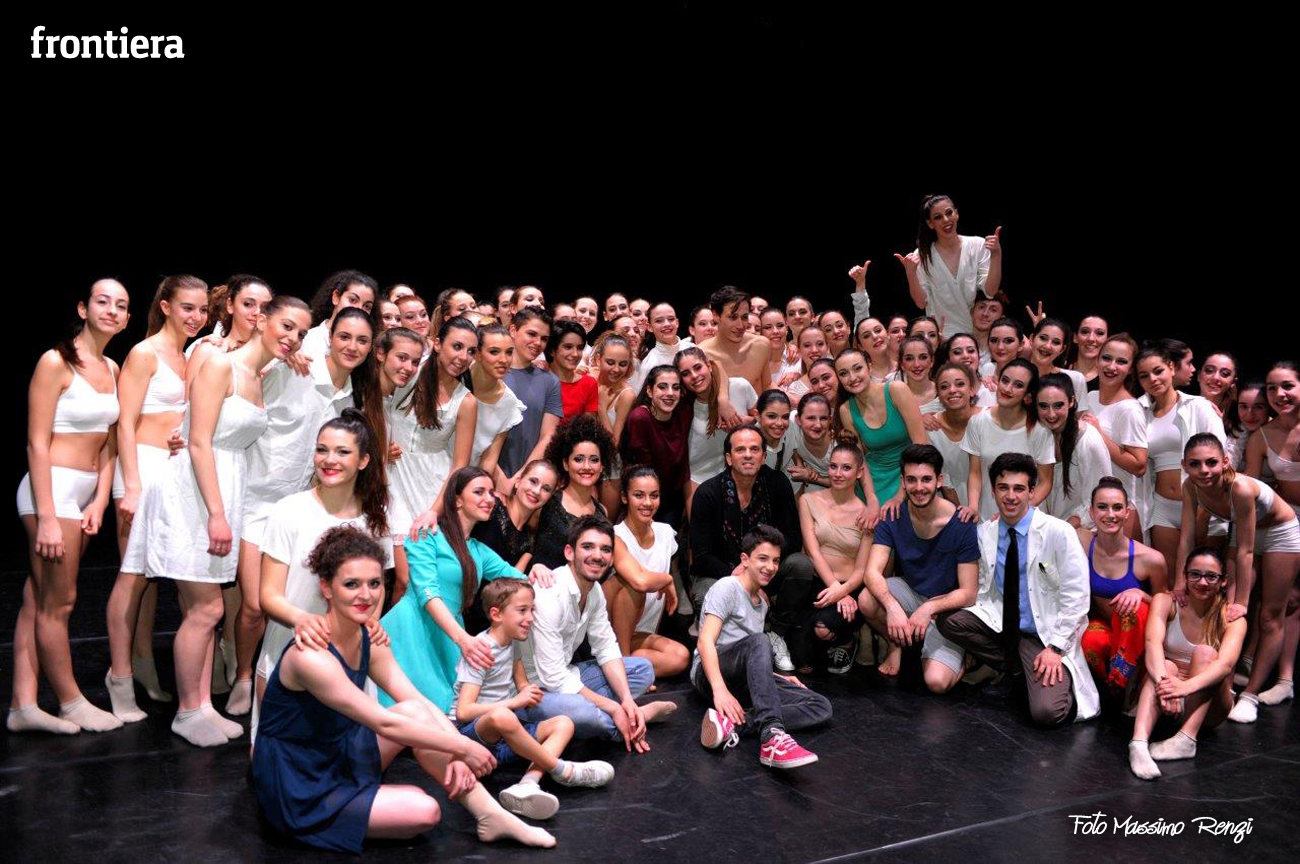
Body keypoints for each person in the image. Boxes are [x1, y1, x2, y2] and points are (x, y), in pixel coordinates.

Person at [251, 526, 556, 852]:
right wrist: (463, 746)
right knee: (425, 811)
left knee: (415, 711)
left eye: (374, 583)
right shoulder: (310, 657)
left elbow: (417, 701)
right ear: (326, 587)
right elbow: (383, 722)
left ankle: (491, 815)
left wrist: (456, 751)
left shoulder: (370, 638)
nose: (365, 595)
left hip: (339, 752)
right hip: (300, 780)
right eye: (351, 584)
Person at [126, 294, 312, 747]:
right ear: (261, 319)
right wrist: (215, 513)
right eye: (286, 326)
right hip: (193, 492)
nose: (293, 337)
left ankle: (203, 705)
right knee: (207, 608)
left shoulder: (258, 374)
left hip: (225, 489)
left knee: (207, 610)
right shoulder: (219, 364)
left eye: (302, 333)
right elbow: (197, 442)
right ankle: (188, 711)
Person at [228, 306, 377, 716]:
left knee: (298, 598)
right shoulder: (293, 368)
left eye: (362, 340)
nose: (352, 346)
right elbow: (240, 380)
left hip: (304, 506)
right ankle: (244, 674)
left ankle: (296, 676)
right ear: (329, 336)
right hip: (258, 499)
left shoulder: (352, 396)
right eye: (344, 336)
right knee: (255, 604)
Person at [11, 279, 131, 735]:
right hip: (52, 492)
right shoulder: (55, 362)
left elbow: (110, 444)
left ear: (127, 319)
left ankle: (23, 705)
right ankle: (70, 701)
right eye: (103, 301)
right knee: (59, 603)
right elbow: (36, 444)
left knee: (36, 599)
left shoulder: (113, 368)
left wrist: (99, 499)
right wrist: (46, 517)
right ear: (83, 308)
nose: (112, 310)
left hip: (81, 495)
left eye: (121, 305)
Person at [252, 411, 393, 736]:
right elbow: (268, 595)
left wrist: (372, 620)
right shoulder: (289, 511)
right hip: (290, 649)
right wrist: (302, 620)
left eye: (342, 452)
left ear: (363, 461)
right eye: (322, 450)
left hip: (350, 656)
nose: (329, 460)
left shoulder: (375, 517)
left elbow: (379, 584)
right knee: (280, 753)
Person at [105, 276, 207, 721]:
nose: (196, 317)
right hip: (141, 470)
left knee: (152, 576)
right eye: (187, 307)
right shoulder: (144, 353)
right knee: (132, 576)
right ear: (165, 306)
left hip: (173, 471)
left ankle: (143, 662)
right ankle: (119, 677)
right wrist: (131, 485)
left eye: (202, 310)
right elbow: (124, 424)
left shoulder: (191, 355)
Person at [937, 452, 1100, 727]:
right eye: (1003, 488)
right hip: (1004, 627)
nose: (1010, 496)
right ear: (993, 491)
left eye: (1019, 488)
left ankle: (1034, 674)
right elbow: (983, 586)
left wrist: (1055, 648)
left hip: (1044, 634)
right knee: (950, 620)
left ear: (1032, 492)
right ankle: (1017, 669)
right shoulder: (986, 533)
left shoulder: (1058, 532)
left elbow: (1077, 596)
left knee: (1047, 713)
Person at [380, 468, 547, 713]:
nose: (489, 499)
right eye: (479, 492)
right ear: (457, 500)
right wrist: (463, 639)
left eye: (491, 492)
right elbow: (427, 593)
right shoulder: (427, 535)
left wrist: (538, 567)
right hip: (413, 628)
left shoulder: (478, 550)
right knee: (401, 710)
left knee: (439, 713)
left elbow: (519, 579)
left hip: (448, 635)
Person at [452, 580, 616, 820]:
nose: (530, 618)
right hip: (476, 736)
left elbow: (518, 673)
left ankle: (527, 784)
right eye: (522, 610)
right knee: (501, 716)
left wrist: (525, 688)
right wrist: (515, 702)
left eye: (532, 610)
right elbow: (464, 712)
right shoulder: (482, 650)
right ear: (496, 614)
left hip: (506, 738)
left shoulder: (514, 641)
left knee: (564, 723)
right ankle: (562, 770)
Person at [1174, 434, 1300, 724]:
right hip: (1245, 532)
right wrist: (1180, 582)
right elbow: (1187, 538)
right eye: (1195, 464)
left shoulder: (1240, 487)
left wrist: (1242, 600)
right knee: (1225, 612)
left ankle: (1251, 696)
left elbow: (1245, 550)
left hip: (1280, 531)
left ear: (1226, 462)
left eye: (1211, 462)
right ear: (1184, 466)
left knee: (1268, 615)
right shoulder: (1190, 486)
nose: (1204, 470)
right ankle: (1226, 686)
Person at [520, 516, 677, 745]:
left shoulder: (594, 592)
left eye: (605, 549)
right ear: (569, 552)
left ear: (611, 558)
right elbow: (553, 678)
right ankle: (635, 718)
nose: (597, 555)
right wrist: (613, 706)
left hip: (567, 675)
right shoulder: (549, 594)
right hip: (533, 691)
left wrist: (626, 699)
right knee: (583, 713)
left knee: (643, 669)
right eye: (587, 547)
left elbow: (606, 648)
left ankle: (619, 713)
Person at [694, 525, 832, 769]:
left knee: (820, 706)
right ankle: (771, 735)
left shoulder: (762, 604)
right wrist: (720, 691)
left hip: (742, 679)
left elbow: (752, 655)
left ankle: (733, 724)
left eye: (776, 561)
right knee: (761, 640)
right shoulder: (727, 587)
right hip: (710, 674)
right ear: (745, 560)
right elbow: (705, 641)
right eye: (763, 559)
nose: (770, 567)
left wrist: (772, 675)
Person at [689, 424, 817, 672]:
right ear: (729, 458)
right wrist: (744, 578)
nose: (748, 455)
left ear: (763, 455)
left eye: (754, 449)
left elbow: (792, 539)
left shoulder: (777, 484)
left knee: (801, 565)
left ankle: (776, 634)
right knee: (706, 594)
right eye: (740, 450)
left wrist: (759, 573)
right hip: (720, 573)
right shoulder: (708, 493)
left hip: (766, 569)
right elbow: (702, 557)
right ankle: (723, 650)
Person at [860, 444, 979, 690]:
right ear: (903, 482)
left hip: (946, 608)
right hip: (911, 593)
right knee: (867, 599)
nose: (919, 487)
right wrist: (892, 607)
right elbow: (871, 572)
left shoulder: (961, 523)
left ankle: (968, 658)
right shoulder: (893, 515)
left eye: (926, 479)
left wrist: (929, 608)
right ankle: (896, 643)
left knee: (937, 683)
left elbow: (969, 593)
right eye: (911, 480)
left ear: (939, 481)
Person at [1128, 547, 1246, 781]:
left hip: (1207, 704)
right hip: (1167, 696)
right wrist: (1166, 686)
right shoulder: (1165, 601)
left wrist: (1184, 688)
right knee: (1166, 666)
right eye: (1195, 574)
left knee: (1205, 653)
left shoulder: (1232, 618)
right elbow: (1152, 644)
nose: (1202, 582)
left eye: (1211, 576)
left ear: (1223, 581)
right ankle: (1138, 744)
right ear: (1185, 575)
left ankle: (1186, 739)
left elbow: (1225, 666)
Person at [388, 317, 479, 579]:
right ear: (438, 344)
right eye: (457, 346)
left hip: (430, 490)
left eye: (471, 351)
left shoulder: (466, 401)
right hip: (391, 479)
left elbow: (460, 464)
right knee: (399, 578)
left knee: (412, 578)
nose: (463, 357)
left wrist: (433, 510)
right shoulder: (407, 373)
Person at [1136, 345, 1226, 577]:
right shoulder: (1141, 413)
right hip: (1162, 507)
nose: (1152, 379)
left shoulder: (1198, 406)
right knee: (1171, 583)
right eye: (1144, 375)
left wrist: (1205, 509)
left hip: (1204, 505)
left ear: (1172, 368)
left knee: (1206, 580)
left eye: (1158, 371)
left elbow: (1221, 458)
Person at [1076, 477, 1166, 697]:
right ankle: (1111, 691)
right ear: (1091, 512)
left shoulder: (1151, 559)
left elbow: (1168, 608)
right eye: (1102, 507)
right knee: (1091, 641)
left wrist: (1141, 594)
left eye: (1117, 507)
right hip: (1103, 627)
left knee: (1133, 609)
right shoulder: (1080, 541)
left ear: (1127, 512)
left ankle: (1127, 684)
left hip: (1137, 639)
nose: (1110, 514)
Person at [1244, 361, 1300, 707]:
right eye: (1272, 388)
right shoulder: (1261, 436)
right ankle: (1282, 679)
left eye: (1288, 386)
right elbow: (1252, 489)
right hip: (1284, 521)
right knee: (1285, 600)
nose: (1280, 394)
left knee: (1294, 599)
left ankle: (1284, 678)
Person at [604, 467, 691, 678]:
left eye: (654, 495)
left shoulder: (665, 533)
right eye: (639, 495)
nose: (648, 503)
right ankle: (624, 668)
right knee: (633, 585)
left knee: (680, 656)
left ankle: (630, 664)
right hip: (608, 631)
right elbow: (640, 582)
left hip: (640, 632)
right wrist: (666, 579)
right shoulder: (614, 536)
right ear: (624, 497)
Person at [793, 444, 870, 674]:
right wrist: (836, 590)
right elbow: (813, 551)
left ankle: (846, 640)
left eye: (846, 468)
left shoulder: (866, 514)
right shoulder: (808, 500)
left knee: (822, 629)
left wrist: (843, 591)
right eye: (833, 466)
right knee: (801, 661)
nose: (838, 473)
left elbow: (861, 570)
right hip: (817, 584)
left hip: (850, 589)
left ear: (859, 472)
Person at [835, 348, 927, 522]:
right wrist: (871, 499)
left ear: (869, 366)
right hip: (873, 481)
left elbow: (921, 446)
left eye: (857, 368)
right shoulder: (846, 410)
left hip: (911, 473)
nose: (852, 377)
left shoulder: (896, 390)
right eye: (844, 373)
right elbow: (860, 460)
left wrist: (900, 496)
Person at [895, 194, 1003, 340]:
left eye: (949, 213)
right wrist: (910, 273)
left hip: (976, 335)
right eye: (938, 217)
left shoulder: (978, 245)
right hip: (942, 337)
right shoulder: (922, 255)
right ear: (930, 223)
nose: (946, 220)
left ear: (956, 214)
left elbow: (990, 291)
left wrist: (996, 255)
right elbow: (921, 303)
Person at [961, 359, 1056, 521]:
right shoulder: (978, 422)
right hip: (987, 519)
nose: (1007, 388)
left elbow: (1045, 483)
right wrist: (973, 507)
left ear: (1028, 395)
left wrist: (1019, 511)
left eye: (1018, 385)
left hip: (1026, 520)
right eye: (1005, 380)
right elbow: (975, 473)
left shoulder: (1040, 431)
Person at [1080, 334, 1148, 538]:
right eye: (1107, 358)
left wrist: (1099, 434)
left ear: (1131, 369)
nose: (1112, 366)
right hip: (1090, 504)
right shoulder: (1090, 397)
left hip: (1120, 509)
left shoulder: (1130, 409)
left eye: (1121, 361)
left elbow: (1139, 466)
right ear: (1097, 360)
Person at [532, 415, 616, 569]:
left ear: (602, 467)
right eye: (578, 459)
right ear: (565, 464)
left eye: (594, 460)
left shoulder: (602, 512)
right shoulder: (546, 503)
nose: (587, 466)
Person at [677, 347, 757, 508]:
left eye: (698, 367)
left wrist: (748, 423)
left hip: (742, 476)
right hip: (699, 478)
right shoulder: (683, 407)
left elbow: (763, 420)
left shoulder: (739, 386)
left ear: (709, 366)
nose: (694, 376)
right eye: (685, 373)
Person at [620, 366, 692, 530]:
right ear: (649, 391)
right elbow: (642, 470)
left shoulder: (684, 411)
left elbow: (712, 372)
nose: (670, 393)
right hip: (646, 495)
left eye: (676, 387)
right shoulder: (640, 418)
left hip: (674, 496)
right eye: (662, 387)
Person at [1037, 374, 1111, 528]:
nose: (1051, 414)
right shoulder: (1037, 436)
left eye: (1058, 405)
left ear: (1071, 402)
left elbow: (1100, 498)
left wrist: (1065, 529)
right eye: (1043, 406)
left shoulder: (1088, 441)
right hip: (1045, 529)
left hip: (1082, 530)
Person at [500, 307, 563, 488]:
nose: (538, 343)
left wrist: (522, 477)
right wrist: (500, 479)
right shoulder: (489, 374)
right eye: (532, 334)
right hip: (485, 474)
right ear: (513, 330)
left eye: (544, 338)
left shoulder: (550, 382)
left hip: (528, 482)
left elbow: (548, 436)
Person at [472, 459, 560, 574]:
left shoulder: (530, 540)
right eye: (533, 481)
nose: (537, 491)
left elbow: (512, 580)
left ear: (549, 497)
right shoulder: (492, 505)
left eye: (546, 489)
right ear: (518, 481)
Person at [468, 322, 525, 490]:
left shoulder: (508, 402)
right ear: (477, 353)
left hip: (468, 478)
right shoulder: (455, 381)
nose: (503, 360)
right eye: (494, 352)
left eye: (509, 352)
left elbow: (488, 461)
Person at [591, 333, 637, 517]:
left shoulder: (627, 394)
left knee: (605, 522)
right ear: (598, 359)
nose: (616, 369)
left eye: (623, 364)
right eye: (610, 362)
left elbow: (613, 444)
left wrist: (601, 408)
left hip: (610, 466)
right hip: (582, 460)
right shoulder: (588, 378)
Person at [697, 285, 771, 397]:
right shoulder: (701, 354)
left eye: (744, 317)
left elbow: (768, 386)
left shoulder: (761, 345)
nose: (740, 325)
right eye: (733, 317)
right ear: (716, 315)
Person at [303, 270, 378, 359]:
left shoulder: (367, 351)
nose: (358, 309)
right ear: (336, 297)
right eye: (352, 300)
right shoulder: (307, 341)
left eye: (367, 306)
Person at [631, 302, 692, 394]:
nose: (667, 324)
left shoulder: (692, 348)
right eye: (659, 321)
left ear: (677, 323)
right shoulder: (649, 364)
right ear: (649, 327)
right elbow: (643, 398)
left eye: (671, 319)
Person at [547, 320, 599, 419]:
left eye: (579, 348)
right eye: (568, 347)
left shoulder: (589, 384)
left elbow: (588, 426)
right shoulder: (540, 380)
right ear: (552, 350)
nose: (575, 354)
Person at [785, 394, 835, 495]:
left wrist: (810, 477)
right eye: (811, 418)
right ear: (798, 419)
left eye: (823, 418)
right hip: (809, 478)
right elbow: (792, 444)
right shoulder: (791, 422)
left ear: (830, 420)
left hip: (832, 484)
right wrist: (799, 463)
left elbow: (847, 482)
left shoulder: (837, 445)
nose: (818, 425)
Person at [785, 324, 828, 404]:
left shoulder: (841, 375)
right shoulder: (794, 389)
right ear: (799, 351)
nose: (814, 350)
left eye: (820, 344)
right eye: (807, 345)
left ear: (828, 348)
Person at [760, 307, 801, 389]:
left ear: (786, 328)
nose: (775, 331)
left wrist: (800, 378)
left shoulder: (799, 359)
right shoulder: (755, 363)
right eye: (768, 327)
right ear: (760, 331)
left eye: (780, 326)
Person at [898, 335, 940, 414]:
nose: (916, 364)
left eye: (923, 357)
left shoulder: (944, 393)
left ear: (932, 361)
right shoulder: (895, 398)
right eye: (909, 359)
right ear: (902, 364)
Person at [755, 389, 794, 470]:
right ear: (758, 416)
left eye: (785, 417)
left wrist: (800, 464)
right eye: (772, 416)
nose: (780, 423)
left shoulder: (791, 426)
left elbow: (794, 447)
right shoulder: (749, 444)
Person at [852, 317, 898, 383]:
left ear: (887, 333)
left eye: (878, 330)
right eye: (866, 336)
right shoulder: (862, 378)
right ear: (861, 346)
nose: (875, 336)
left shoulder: (906, 366)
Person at [970, 292, 1008, 367]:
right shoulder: (957, 343)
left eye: (993, 310)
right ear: (972, 312)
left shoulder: (1005, 350)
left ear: (1002, 318)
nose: (985, 314)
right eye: (981, 307)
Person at [1071, 315, 1109, 388]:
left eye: (1100, 333)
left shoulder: (1111, 379)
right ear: (1075, 337)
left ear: (1107, 340)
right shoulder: (1060, 371)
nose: (1091, 339)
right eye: (1085, 332)